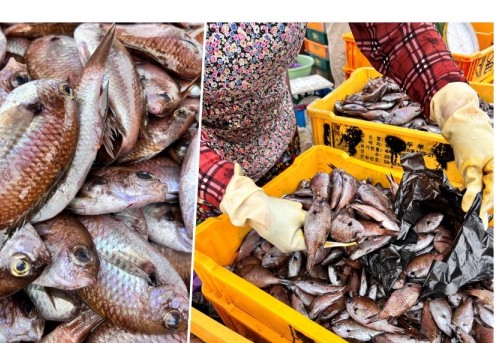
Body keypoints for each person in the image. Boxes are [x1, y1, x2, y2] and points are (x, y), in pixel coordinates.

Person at [198, 22, 493, 253]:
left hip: (276, 133)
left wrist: (456, 105)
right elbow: (157, 119)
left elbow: (394, 30)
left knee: (293, 221)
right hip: (194, 170)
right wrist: (240, 199)